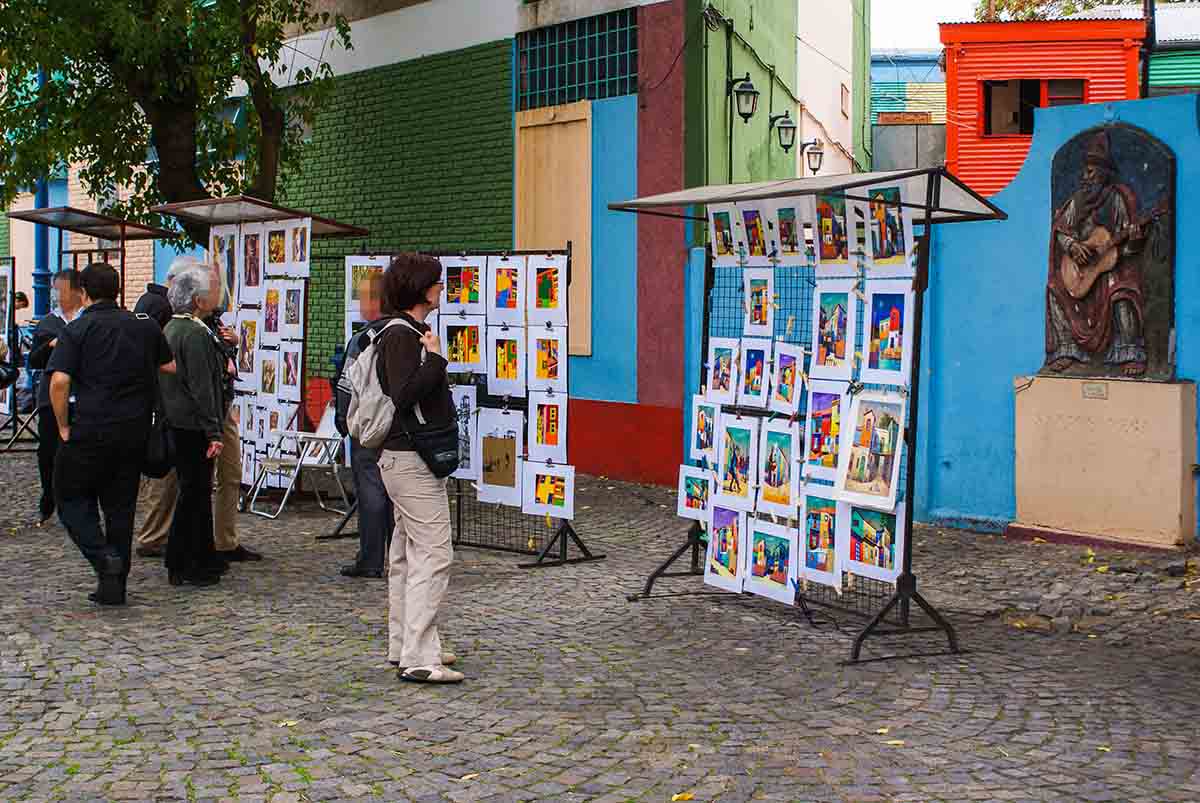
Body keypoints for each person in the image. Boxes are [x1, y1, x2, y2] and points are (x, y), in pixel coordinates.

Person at [47, 262, 174, 606]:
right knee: (121, 508)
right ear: (118, 290)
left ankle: (103, 558)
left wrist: (61, 425)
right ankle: (113, 587)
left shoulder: (78, 329)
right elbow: (169, 366)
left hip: (90, 429)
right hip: (133, 431)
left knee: (69, 497)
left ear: (84, 292)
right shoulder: (143, 326)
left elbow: (59, 381)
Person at [377, 253, 461, 684]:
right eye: (438, 284)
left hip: (403, 459)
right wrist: (436, 359)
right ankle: (418, 656)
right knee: (433, 553)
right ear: (422, 289)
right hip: (410, 460)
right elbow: (404, 392)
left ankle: (405, 643)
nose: (442, 290)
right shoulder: (401, 336)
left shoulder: (405, 332)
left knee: (407, 554)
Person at [160, 264, 226, 587]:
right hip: (194, 425)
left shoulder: (171, 328)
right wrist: (214, 430)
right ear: (198, 300)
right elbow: (203, 387)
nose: (217, 295)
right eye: (211, 290)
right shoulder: (194, 334)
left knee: (193, 492)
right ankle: (186, 560)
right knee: (195, 494)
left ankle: (196, 557)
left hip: (177, 421)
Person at [335, 271, 395, 579]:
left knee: (371, 494)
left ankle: (370, 560)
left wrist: (343, 420)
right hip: (398, 429)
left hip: (369, 427)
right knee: (396, 494)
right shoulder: (406, 332)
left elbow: (347, 385)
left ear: (375, 301)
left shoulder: (362, 340)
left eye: (362, 297)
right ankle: (399, 558)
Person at [27, 269, 84, 524]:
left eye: (59, 290)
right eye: (54, 290)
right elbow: (34, 360)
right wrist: (50, 345)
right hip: (51, 396)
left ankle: (76, 499)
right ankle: (48, 496)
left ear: (75, 291)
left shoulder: (87, 319)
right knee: (48, 451)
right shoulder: (49, 322)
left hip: (82, 395)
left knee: (78, 450)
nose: (56, 295)